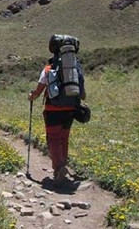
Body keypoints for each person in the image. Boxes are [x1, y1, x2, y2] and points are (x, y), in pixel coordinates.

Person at [28, 35, 85, 187]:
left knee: (53, 138)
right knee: (63, 138)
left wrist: (31, 97)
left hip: (53, 110)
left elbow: (38, 92)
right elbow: (83, 94)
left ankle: (58, 168)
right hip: (70, 109)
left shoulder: (48, 69)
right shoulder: (75, 69)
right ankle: (62, 164)